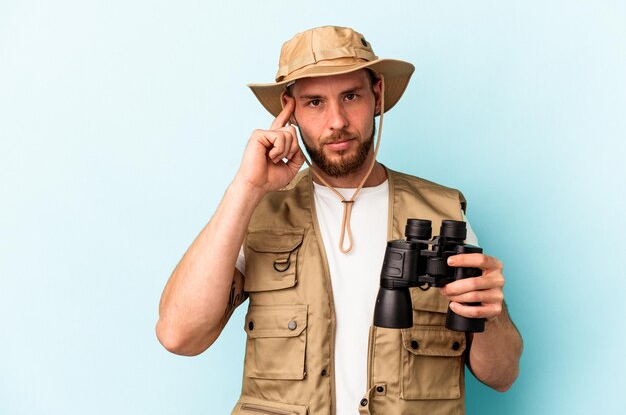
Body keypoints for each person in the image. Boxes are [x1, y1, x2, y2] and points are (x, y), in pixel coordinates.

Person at [156, 25, 523, 415]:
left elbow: (502, 375)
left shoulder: (443, 213)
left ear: (377, 94)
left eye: (351, 96)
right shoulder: (260, 212)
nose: (336, 121)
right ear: (289, 108)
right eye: (314, 102)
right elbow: (179, 336)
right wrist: (246, 187)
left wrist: (491, 315)